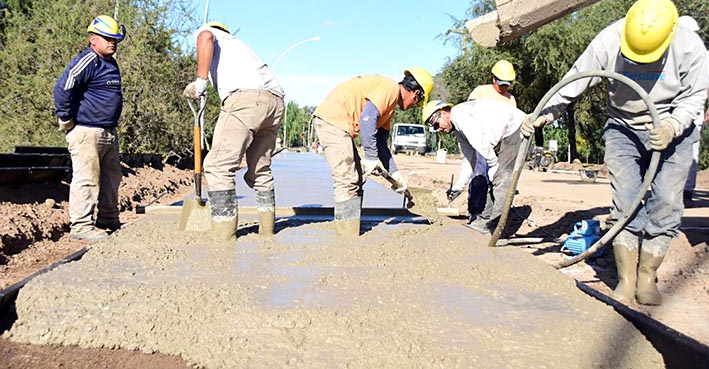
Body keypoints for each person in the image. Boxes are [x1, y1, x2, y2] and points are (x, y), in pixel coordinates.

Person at [521, 0, 708, 306]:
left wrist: (673, 125)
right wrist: (547, 112)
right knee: (625, 202)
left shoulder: (690, 47)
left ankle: (647, 276)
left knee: (667, 201)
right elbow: (575, 80)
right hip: (623, 126)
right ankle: (627, 278)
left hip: (674, 130)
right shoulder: (609, 40)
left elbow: (695, 97)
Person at [183, 22, 285, 241]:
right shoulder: (239, 46)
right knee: (260, 170)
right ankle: (267, 233)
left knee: (218, 166)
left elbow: (205, 38)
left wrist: (201, 82)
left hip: (245, 99)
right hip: (275, 103)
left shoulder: (208, 33)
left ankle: (224, 238)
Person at [312, 68, 434, 237]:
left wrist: (395, 173)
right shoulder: (390, 88)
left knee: (357, 177)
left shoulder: (389, 107)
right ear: (416, 93)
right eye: (418, 102)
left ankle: (352, 226)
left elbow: (381, 144)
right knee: (347, 179)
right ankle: (347, 236)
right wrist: (370, 157)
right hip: (333, 121)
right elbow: (367, 118)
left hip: (341, 125)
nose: (414, 105)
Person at [53, 15, 126, 242]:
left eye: (115, 39)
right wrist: (65, 118)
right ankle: (82, 226)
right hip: (86, 131)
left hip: (108, 132)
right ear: (93, 39)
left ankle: (108, 219)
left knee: (111, 177)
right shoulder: (88, 60)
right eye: (107, 38)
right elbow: (62, 87)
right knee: (87, 178)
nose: (112, 42)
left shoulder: (110, 63)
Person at [422, 98, 526, 236]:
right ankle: (484, 220)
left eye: (436, 124)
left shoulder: (459, 116)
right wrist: (458, 186)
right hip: (499, 136)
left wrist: (493, 165)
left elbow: (481, 143)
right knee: (489, 178)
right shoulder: (458, 129)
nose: (438, 129)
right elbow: (469, 158)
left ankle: (495, 227)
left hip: (515, 128)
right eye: (434, 128)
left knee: (502, 179)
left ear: (444, 112)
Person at [465, 59, 518, 223]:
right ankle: (476, 212)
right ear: (493, 79)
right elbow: (468, 113)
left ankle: (492, 215)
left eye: (507, 84)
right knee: (480, 175)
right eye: (501, 83)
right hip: (482, 141)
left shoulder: (510, 99)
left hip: (501, 144)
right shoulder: (481, 92)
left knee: (499, 178)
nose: (504, 87)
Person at [678, 16, 707, 208]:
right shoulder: (671, 52)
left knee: (691, 152)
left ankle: (687, 192)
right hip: (670, 112)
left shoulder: (703, 55)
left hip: (693, 111)